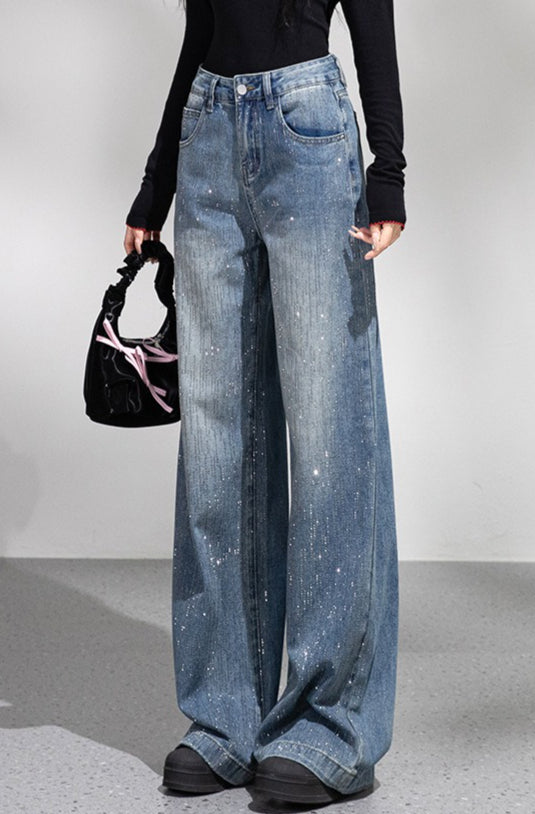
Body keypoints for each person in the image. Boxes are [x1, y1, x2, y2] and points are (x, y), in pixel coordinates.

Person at [124, 0, 406, 806]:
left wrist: (388, 167)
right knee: (217, 443)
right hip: (206, 129)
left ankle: (331, 728)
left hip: (306, 124)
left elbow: (371, 10)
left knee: (327, 435)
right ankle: (226, 718)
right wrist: (155, 184)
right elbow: (201, 30)